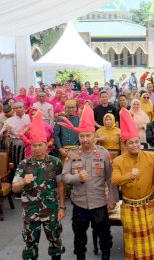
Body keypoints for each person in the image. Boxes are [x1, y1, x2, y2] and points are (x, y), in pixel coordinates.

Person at [60, 104, 118, 260]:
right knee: (79, 237)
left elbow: (111, 178)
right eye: (82, 136)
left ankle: (106, 254)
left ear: (94, 136)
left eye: (88, 136)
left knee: (104, 234)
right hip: (79, 204)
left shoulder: (103, 153)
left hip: (99, 203)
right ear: (78, 137)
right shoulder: (72, 154)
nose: (85, 139)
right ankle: (81, 256)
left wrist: (112, 199)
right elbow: (64, 176)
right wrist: (76, 178)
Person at [11, 110, 65, 260]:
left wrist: (62, 207)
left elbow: (60, 185)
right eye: (34, 145)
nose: (37, 148)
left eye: (40, 145)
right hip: (31, 211)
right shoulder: (24, 164)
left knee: (55, 243)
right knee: (30, 244)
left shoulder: (55, 162)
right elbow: (14, 187)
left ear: (46, 144)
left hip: (51, 210)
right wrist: (23, 181)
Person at [112, 108, 154, 260]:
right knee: (133, 243)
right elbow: (115, 180)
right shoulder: (118, 161)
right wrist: (129, 176)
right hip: (129, 206)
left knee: (152, 242)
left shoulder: (151, 157)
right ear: (124, 144)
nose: (135, 145)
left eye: (136, 142)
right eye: (131, 143)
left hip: (148, 204)